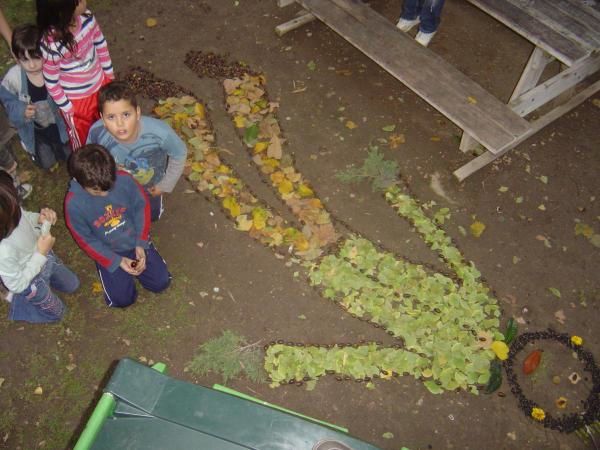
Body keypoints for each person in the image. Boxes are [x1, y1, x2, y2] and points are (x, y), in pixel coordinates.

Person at [64, 144, 170, 308]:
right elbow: (86, 241)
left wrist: (141, 243)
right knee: (122, 300)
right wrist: (116, 260)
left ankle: (147, 250)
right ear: (80, 181)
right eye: (98, 192)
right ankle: (114, 272)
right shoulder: (74, 204)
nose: (105, 195)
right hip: (109, 250)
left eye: (110, 187)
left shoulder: (124, 180)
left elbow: (141, 207)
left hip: (134, 239)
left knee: (161, 282)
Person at [87, 81, 187, 221]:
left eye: (126, 115)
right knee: (125, 212)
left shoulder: (160, 133)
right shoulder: (96, 133)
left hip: (150, 187)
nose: (120, 123)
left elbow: (179, 153)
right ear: (102, 119)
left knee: (151, 215)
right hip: (118, 186)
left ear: (138, 112)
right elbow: (90, 160)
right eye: (111, 117)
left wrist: (164, 185)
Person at [0, 170, 79, 323]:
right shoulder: (3, 252)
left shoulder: (9, 209)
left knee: (73, 284)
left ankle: (41, 285)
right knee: (59, 314)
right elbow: (18, 284)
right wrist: (40, 254)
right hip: (29, 280)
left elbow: (24, 216)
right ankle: (20, 306)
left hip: (43, 255)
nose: (18, 210)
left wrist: (39, 219)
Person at [37, 0, 114, 149]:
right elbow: (51, 82)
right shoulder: (51, 45)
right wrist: (67, 107)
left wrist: (108, 74)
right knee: (83, 138)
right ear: (64, 11)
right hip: (77, 102)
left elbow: (100, 44)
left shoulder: (87, 18)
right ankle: (85, 164)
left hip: (100, 85)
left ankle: (109, 150)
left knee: (107, 123)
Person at [0, 24, 70, 171]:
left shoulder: (54, 69)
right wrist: (21, 111)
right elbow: (8, 103)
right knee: (46, 162)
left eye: (36, 58)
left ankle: (61, 152)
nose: (31, 65)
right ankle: (39, 154)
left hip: (59, 125)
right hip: (36, 130)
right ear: (18, 59)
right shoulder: (13, 78)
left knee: (67, 153)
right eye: (25, 60)